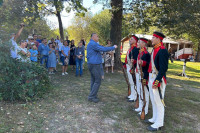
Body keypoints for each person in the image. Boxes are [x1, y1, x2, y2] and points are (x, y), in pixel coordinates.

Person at [145, 32, 169, 131]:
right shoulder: (155, 49)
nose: (151, 39)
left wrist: (157, 81)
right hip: (152, 76)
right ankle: (154, 118)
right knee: (153, 100)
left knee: (159, 101)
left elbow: (163, 68)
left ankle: (159, 123)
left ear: (158, 39)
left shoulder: (163, 51)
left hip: (158, 78)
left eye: (153, 37)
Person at [87, 33, 117, 103]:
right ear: (93, 37)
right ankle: (91, 96)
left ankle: (93, 94)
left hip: (92, 64)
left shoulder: (93, 43)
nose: (98, 38)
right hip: (94, 64)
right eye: (97, 36)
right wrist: (113, 47)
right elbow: (103, 49)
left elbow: (101, 48)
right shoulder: (93, 44)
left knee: (93, 80)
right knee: (98, 80)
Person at [134, 38, 150, 117]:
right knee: (139, 91)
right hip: (138, 73)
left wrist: (143, 62)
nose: (137, 43)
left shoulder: (146, 53)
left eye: (139, 42)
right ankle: (140, 106)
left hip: (143, 74)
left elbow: (148, 65)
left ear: (144, 44)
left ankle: (145, 109)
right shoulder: (140, 53)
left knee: (145, 93)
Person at [125, 35, 139, 102]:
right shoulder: (131, 48)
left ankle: (134, 96)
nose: (130, 40)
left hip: (132, 67)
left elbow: (135, 60)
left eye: (132, 39)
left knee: (134, 82)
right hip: (129, 66)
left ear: (135, 41)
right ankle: (132, 94)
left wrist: (133, 68)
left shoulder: (136, 49)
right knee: (131, 82)